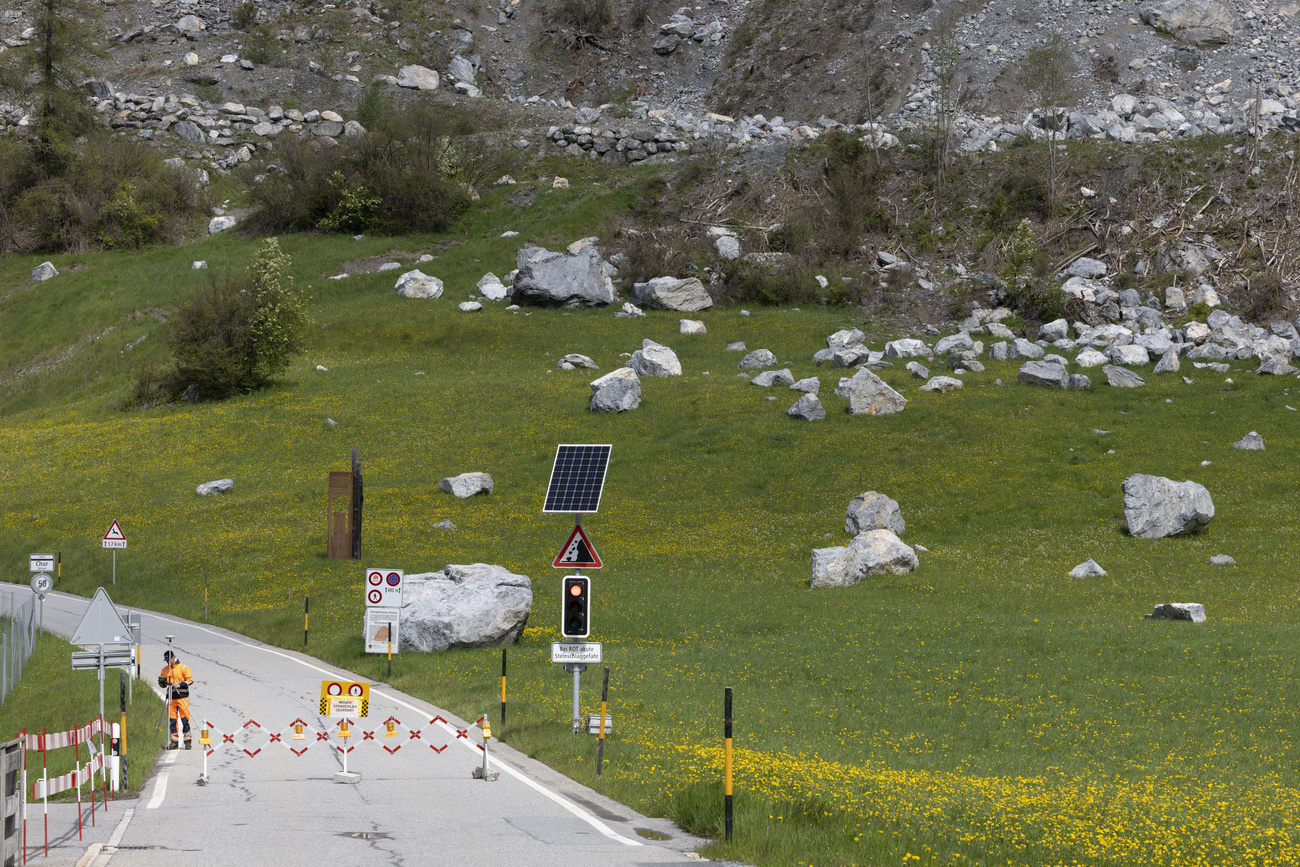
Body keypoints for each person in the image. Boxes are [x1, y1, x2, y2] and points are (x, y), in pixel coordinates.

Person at [158, 650, 194, 750]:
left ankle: (187, 742)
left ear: (174, 657)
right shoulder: (164, 669)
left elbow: (190, 680)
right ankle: (174, 742)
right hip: (171, 698)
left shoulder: (183, 667)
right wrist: (162, 684)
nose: (167, 662)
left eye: (169, 660)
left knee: (185, 719)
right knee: (172, 720)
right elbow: (163, 684)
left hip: (182, 697)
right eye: (166, 660)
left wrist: (180, 684)